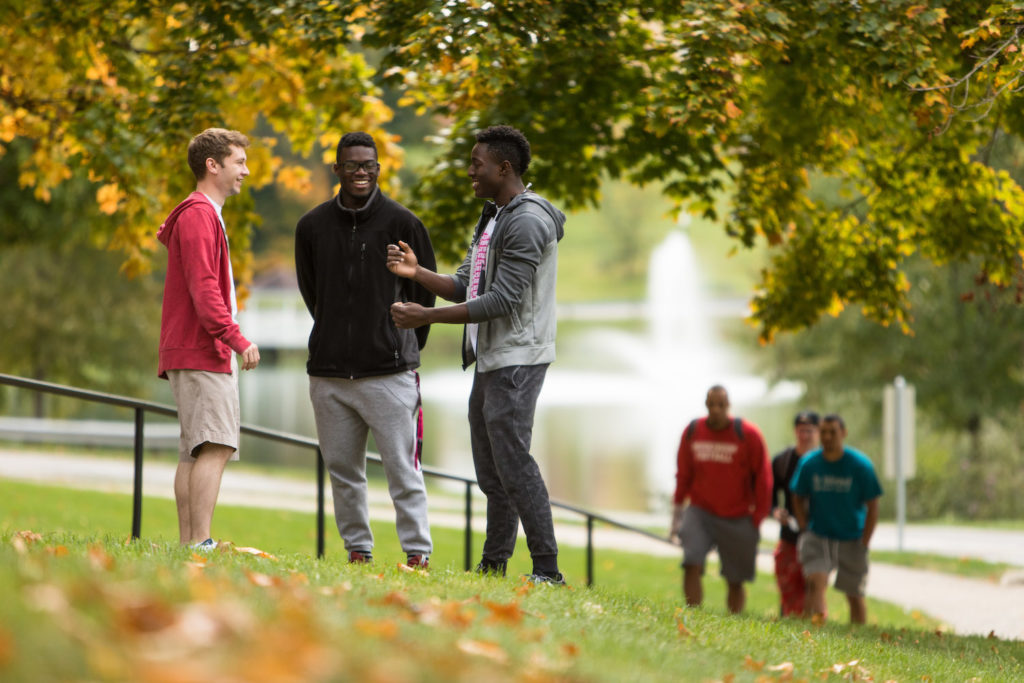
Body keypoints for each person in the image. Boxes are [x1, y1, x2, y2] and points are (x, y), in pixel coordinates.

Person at [386, 125, 567, 585]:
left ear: (503, 168)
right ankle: (493, 566)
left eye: (476, 163)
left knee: (515, 464)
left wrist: (426, 318)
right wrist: (419, 273)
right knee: (491, 471)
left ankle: (547, 569)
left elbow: (502, 301)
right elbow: (469, 284)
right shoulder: (493, 216)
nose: (470, 171)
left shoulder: (526, 221)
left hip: (518, 358)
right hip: (491, 358)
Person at [295, 131, 436, 567]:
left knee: (402, 470)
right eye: (352, 165)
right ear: (336, 169)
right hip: (329, 374)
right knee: (343, 473)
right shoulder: (312, 226)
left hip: (389, 373)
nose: (361, 172)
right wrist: (335, 334)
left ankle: (417, 554)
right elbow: (311, 292)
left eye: (369, 165)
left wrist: (401, 345)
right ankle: (358, 550)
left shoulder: (403, 223)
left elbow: (424, 295)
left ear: (379, 168)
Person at [157, 127, 261, 549]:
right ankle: (200, 541)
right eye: (239, 162)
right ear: (212, 165)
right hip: (203, 350)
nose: (246, 171)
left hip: (190, 348)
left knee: (194, 451)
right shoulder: (199, 215)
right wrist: (236, 338)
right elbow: (206, 290)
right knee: (216, 445)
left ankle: (189, 546)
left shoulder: (200, 213)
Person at [670, 385, 772, 613]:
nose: (715, 410)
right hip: (700, 511)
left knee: (735, 579)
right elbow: (683, 475)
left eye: (721, 405)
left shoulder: (748, 434)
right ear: (706, 405)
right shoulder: (693, 431)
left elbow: (764, 479)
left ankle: (734, 620)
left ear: (729, 406)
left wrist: (757, 518)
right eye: (711, 404)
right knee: (691, 562)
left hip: (737, 515)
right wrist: (676, 517)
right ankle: (693, 615)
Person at [790, 414, 882, 624]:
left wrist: (865, 540)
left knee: (854, 594)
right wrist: (804, 525)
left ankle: (859, 636)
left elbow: (873, 505)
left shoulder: (860, 465)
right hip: (818, 534)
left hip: (851, 537)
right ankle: (813, 631)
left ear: (843, 433)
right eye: (823, 432)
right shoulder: (809, 463)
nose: (828, 436)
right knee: (815, 582)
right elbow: (797, 495)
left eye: (833, 431)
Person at [770, 411, 821, 616]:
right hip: (790, 535)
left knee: (815, 586)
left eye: (809, 431)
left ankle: (815, 628)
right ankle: (790, 624)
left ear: (818, 433)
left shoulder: (825, 461)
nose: (805, 435)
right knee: (789, 586)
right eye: (801, 431)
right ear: (795, 432)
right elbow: (770, 496)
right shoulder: (783, 461)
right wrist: (775, 511)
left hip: (819, 535)